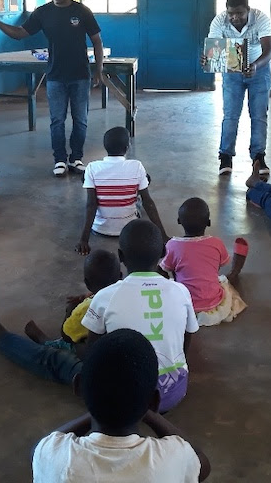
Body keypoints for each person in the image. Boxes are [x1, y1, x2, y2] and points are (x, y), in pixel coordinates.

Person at [32, 329, 211, 482]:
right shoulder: (172, 458)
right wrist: (145, 409)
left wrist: (96, 406)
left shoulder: (51, 455)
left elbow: (47, 444)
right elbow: (201, 464)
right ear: (155, 401)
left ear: (78, 387)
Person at [0, 0, 104, 177]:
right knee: (57, 120)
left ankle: (76, 158)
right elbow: (19, 34)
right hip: (55, 75)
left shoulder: (82, 11)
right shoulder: (42, 13)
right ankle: (60, 160)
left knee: (80, 119)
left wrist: (98, 69)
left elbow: (97, 41)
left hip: (80, 75)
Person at [82, 219, 199, 413]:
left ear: (121, 256)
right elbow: (188, 334)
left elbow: (92, 352)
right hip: (173, 393)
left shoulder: (104, 296)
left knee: (65, 357)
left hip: (124, 401)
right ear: (163, 252)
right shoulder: (181, 291)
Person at [0, 249, 122, 369]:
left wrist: (71, 310)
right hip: (125, 357)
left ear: (87, 283)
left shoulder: (87, 309)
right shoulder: (129, 291)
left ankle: (9, 338)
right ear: (121, 276)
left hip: (103, 368)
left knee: (55, 360)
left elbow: (66, 333)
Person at [207, 0, 271, 177]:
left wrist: (255, 66)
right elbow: (214, 51)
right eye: (231, 13)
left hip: (259, 70)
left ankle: (258, 157)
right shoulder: (219, 21)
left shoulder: (260, 19)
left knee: (259, 115)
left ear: (248, 10)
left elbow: (269, 50)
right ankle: (225, 157)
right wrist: (208, 58)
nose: (235, 17)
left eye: (240, 13)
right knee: (230, 115)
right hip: (232, 72)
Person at [76, 127, 168, 255]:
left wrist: (84, 240)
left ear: (105, 147)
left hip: (99, 228)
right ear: (127, 147)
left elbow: (91, 204)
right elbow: (148, 203)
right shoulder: (136, 166)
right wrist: (163, 236)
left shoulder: (92, 167)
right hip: (129, 228)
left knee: (91, 186)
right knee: (144, 182)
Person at [160, 198, 248, 326]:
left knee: (167, 279)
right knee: (223, 281)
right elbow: (218, 265)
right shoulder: (216, 243)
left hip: (184, 303)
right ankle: (235, 272)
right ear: (209, 222)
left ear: (179, 221)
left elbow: (165, 269)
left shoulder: (172, 245)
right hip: (214, 303)